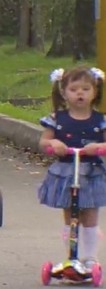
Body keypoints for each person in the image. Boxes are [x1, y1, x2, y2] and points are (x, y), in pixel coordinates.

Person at [38, 66, 106, 277]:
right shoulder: (57, 118)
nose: (80, 93)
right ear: (64, 92)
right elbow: (44, 142)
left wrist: (99, 147)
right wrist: (53, 143)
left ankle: (89, 257)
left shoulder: (100, 120)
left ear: (94, 91)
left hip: (91, 172)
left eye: (85, 89)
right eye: (74, 89)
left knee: (90, 214)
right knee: (70, 216)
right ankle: (71, 256)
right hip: (65, 171)